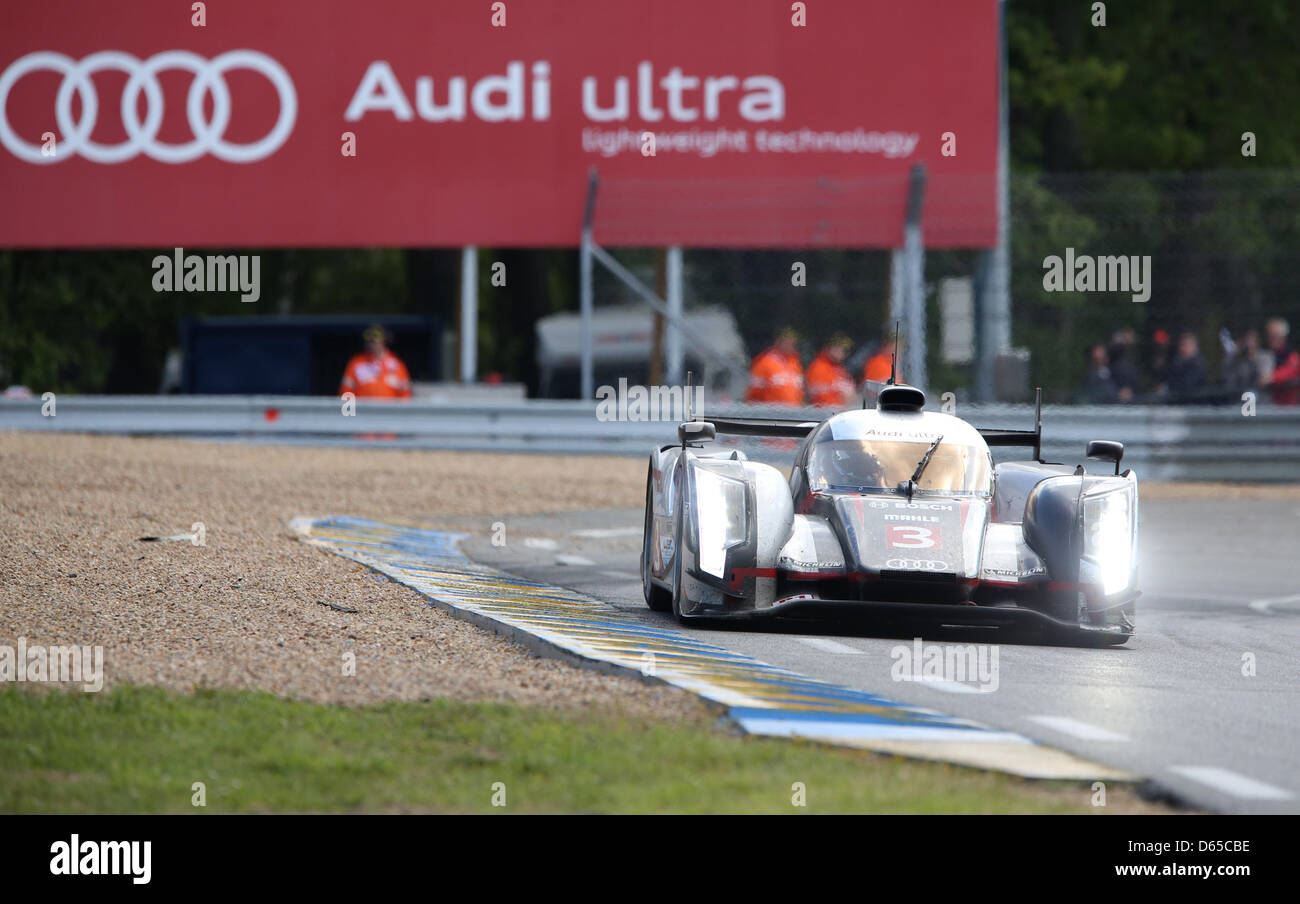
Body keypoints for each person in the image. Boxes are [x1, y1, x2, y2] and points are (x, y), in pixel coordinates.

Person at [339, 324, 412, 399]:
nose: (371, 345)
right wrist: (350, 406)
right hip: (362, 406)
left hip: (389, 406)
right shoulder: (356, 363)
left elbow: (406, 393)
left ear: (384, 341)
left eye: (374, 341)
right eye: (369, 341)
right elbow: (346, 390)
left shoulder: (397, 364)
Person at [745, 327, 805, 405]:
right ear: (778, 342)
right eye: (787, 342)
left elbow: (800, 394)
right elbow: (753, 394)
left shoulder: (795, 364)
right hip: (771, 411)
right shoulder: (764, 363)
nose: (791, 346)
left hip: (794, 411)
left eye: (793, 343)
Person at [806, 334, 856, 407]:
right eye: (837, 348)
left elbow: (851, 395)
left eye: (845, 350)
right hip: (825, 412)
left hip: (842, 411)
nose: (841, 352)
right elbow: (819, 398)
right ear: (828, 347)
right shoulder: (818, 367)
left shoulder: (841, 369)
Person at [1263, 317, 1300, 406]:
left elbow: (1291, 370)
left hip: (1288, 406)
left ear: (1283, 337)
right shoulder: (1264, 353)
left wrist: (1271, 377)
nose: (1270, 339)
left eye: (1274, 336)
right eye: (1269, 335)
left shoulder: (1292, 356)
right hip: (1267, 404)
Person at [1162, 331, 1207, 400]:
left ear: (1193, 346)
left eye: (1186, 345)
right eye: (1181, 345)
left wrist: (1169, 386)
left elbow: (1187, 385)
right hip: (1177, 399)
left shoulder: (1197, 364)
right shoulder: (1177, 362)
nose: (1182, 348)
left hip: (1192, 400)